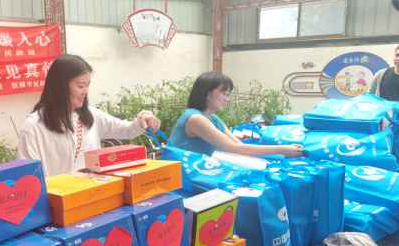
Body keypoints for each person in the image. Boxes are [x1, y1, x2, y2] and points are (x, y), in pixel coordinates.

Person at [17, 54, 162, 177]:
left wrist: (143, 120)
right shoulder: (34, 126)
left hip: (92, 195)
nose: (86, 91)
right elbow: (29, 176)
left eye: (88, 85)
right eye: (80, 86)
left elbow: (127, 130)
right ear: (58, 86)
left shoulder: (91, 115)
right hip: (56, 199)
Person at [169, 72, 304, 158]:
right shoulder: (195, 119)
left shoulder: (213, 118)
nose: (227, 99)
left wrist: (282, 150)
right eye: (224, 94)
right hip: (183, 175)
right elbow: (233, 148)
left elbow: (237, 144)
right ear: (206, 94)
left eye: (228, 94)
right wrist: (282, 149)